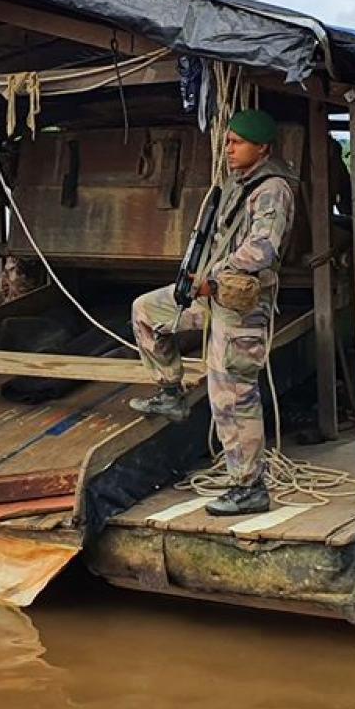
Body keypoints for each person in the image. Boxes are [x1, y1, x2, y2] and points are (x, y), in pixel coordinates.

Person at [128, 108, 297, 516]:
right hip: (210, 294)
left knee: (232, 394)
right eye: (228, 142)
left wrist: (216, 279)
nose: (229, 149)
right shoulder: (236, 185)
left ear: (263, 148)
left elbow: (262, 249)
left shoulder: (272, 188)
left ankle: (249, 486)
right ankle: (170, 391)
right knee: (147, 311)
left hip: (241, 306)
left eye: (238, 143)